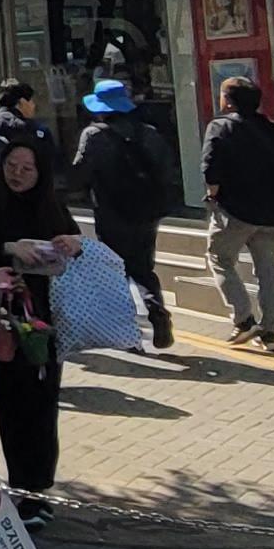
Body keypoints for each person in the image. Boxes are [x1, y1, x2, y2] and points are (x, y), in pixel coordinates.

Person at [0, 135, 88, 514]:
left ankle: (36, 490)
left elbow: (76, 243)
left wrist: (72, 242)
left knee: (42, 402)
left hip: (45, 321)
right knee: (12, 402)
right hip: (1, 319)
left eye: (27, 169)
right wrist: (9, 249)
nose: (17, 175)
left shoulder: (50, 203)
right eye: (11, 166)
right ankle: (18, 485)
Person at [70, 75, 175, 349]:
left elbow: (79, 173)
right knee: (144, 268)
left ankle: (127, 332)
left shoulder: (93, 135)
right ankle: (157, 311)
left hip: (111, 211)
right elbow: (167, 170)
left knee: (115, 271)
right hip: (147, 212)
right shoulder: (149, 133)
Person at [202, 70, 274, 350]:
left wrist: (212, 194)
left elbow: (210, 167)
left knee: (219, 258)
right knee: (268, 270)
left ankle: (243, 319)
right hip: (272, 211)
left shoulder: (220, 127)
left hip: (235, 209)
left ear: (228, 101)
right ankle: (270, 332)